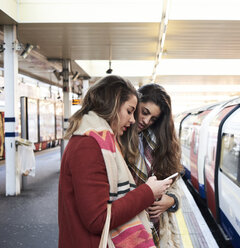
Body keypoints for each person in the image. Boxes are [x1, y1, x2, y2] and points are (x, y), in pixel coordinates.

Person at [58, 75, 172, 248]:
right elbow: (98, 220)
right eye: (129, 110)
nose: (133, 120)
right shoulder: (89, 146)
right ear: (113, 104)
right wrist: (148, 192)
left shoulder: (96, 141)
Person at [126, 83, 183, 247]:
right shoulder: (118, 136)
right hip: (128, 223)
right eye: (144, 112)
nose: (146, 121)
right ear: (135, 102)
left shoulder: (162, 143)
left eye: (153, 119)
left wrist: (171, 201)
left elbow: (174, 184)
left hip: (157, 226)